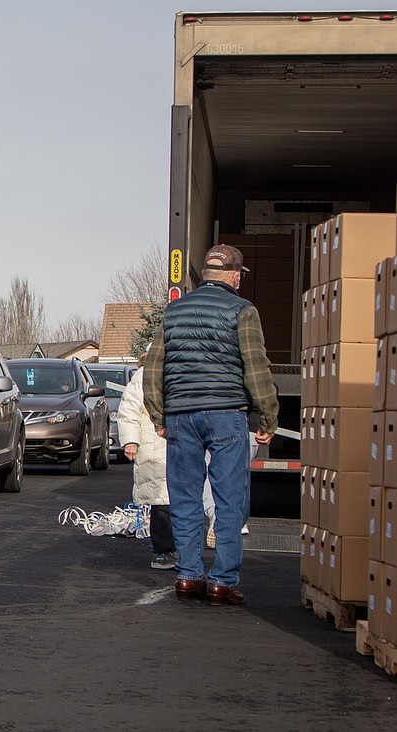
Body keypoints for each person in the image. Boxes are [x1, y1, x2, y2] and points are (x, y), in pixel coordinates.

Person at [144, 244, 279, 606]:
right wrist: (268, 416)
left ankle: (188, 576)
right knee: (229, 499)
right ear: (235, 276)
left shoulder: (174, 311)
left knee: (185, 497)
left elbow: (155, 366)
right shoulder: (242, 310)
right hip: (225, 413)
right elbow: (256, 367)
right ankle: (222, 581)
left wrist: (158, 415)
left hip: (181, 416)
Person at [117, 351, 176, 570]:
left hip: (177, 444)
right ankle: (163, 551)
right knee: (160, 501)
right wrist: (131, 441)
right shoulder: (143, 377)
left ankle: (180, 549)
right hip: (153, 446)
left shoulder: (179, 374)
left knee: (179, 500)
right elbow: (129, 411)